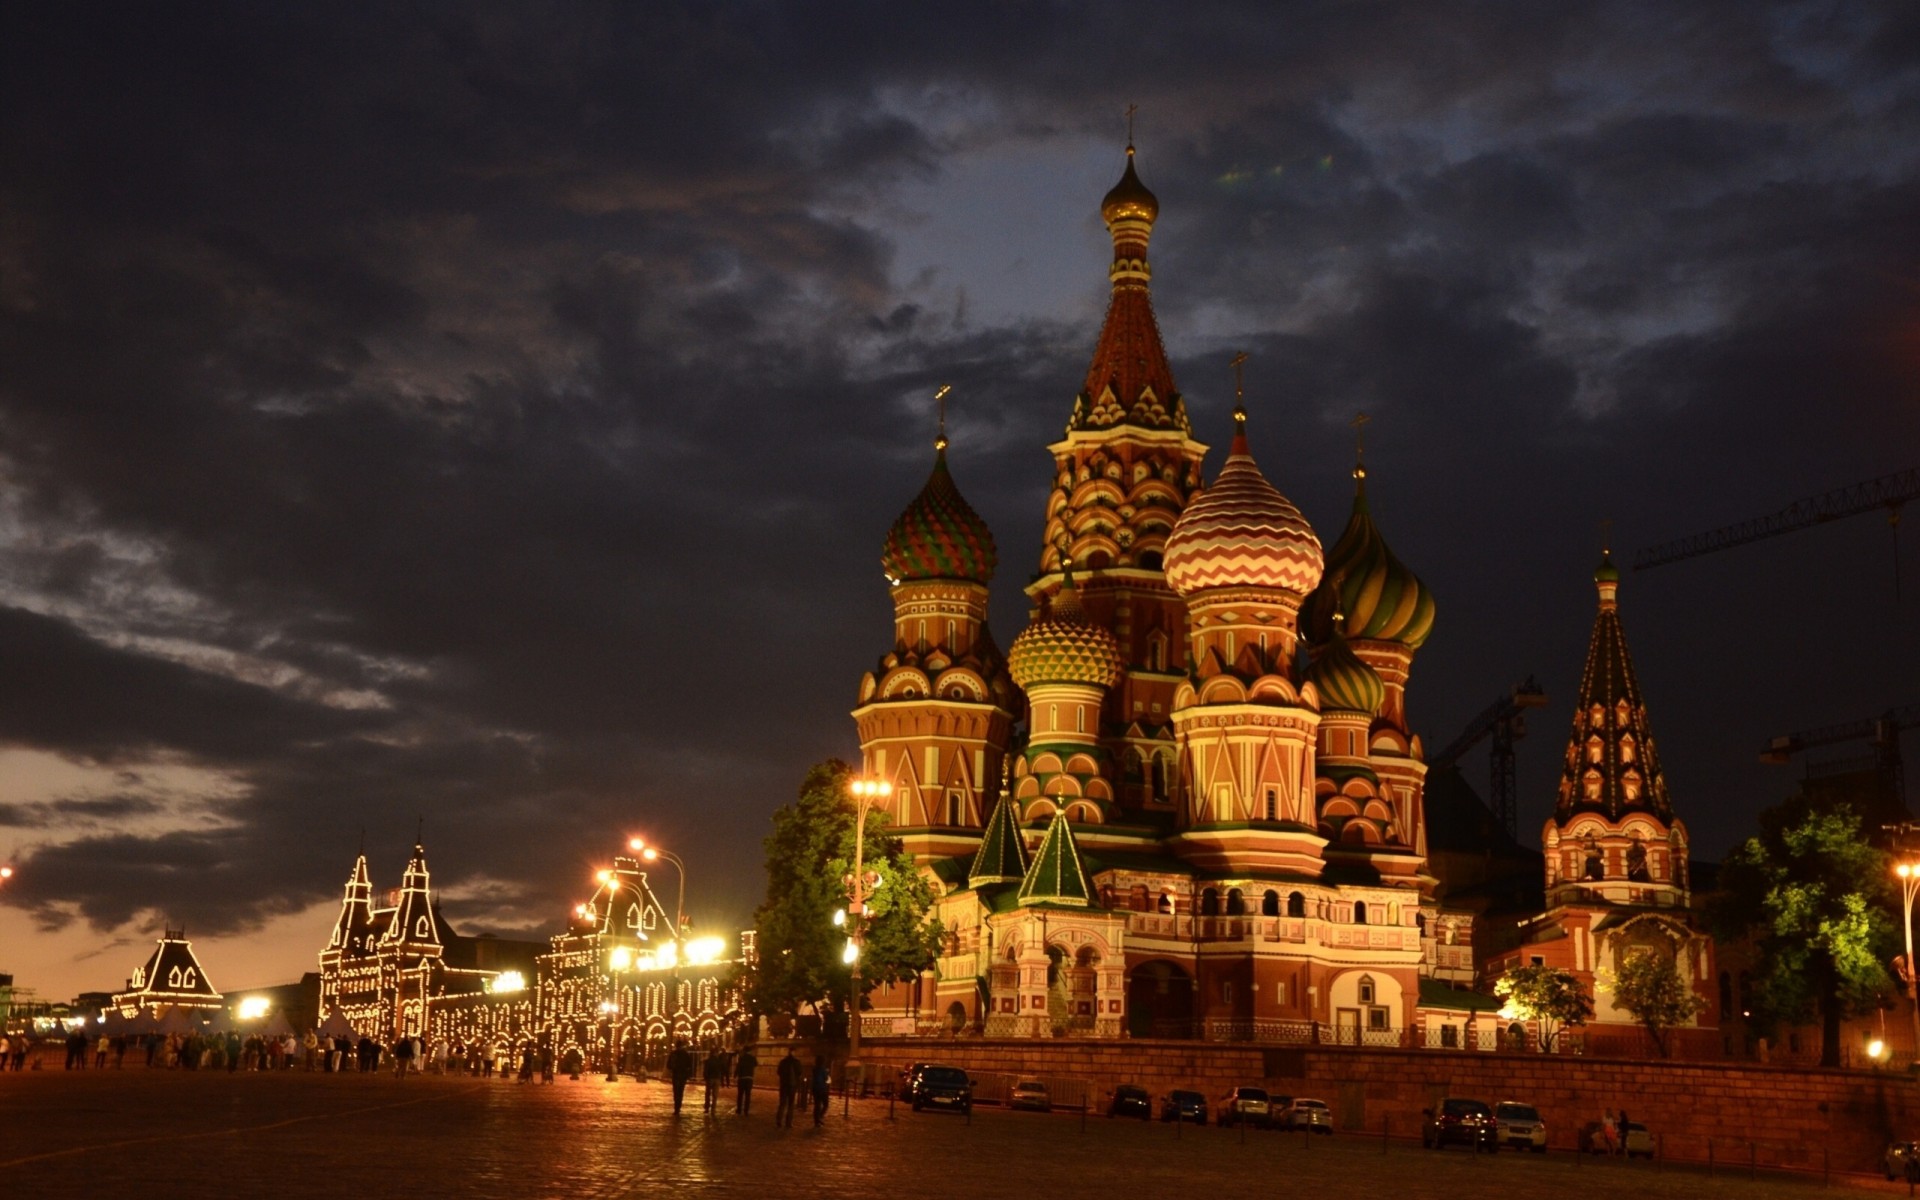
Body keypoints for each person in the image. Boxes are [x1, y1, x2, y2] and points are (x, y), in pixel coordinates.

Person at [776, 1047, 803, 1127]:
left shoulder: (783, 1062)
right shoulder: (797, 1062)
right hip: (792, 1085)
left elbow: (779, 1072)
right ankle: (788, 1122)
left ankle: (779, 1120)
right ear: (794, 1052)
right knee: (791, 1105)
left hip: (784, 1085)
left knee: (782, 1103)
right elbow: (799, 1072)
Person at [667, 1040, 695, 1115]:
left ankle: (676, 1107)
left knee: (676, 1092)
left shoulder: (673, 1054)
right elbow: (689, 1065)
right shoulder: (685, 1054)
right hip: (683, 1075)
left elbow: (669, 1065)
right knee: (680, 1091)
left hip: (676, 1074)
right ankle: (678, 1107)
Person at [702, 1045, 728, 1114]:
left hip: (710, 1078)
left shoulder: (708, 1061)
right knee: (715, 1094)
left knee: (708, 1094)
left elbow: (706, 1070)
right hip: (717, 1078)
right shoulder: (719, 1061)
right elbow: (723, 1069)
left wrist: (705, 1077)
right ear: (716, 1053)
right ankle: (713, 1109)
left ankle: (707, 1107)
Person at [733, 1044, 758, 1115]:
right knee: (748, 1095)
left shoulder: (742, 1057)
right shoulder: (752, 1058)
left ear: (744, 1050)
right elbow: (756, 1064)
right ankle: (746, 1111)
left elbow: (738, 1067)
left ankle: (739, 1110)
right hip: (749, 1078)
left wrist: (735, 1075)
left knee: (740, 1095)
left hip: (742, 1078)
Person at [810, 1056, 831, 1127]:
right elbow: (826, 1078)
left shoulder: (814, 1069)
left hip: (815, 1089)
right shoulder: (822, 1069)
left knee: (817, 1105)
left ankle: (817, 1121)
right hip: (822, 1089)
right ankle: (819, 1117)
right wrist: (827, 1073)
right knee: (826, 1104)